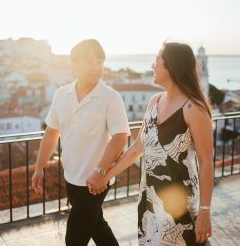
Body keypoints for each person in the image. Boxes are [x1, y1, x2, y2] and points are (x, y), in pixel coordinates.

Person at [88, 41, 214, 245]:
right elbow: (137, 148)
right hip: (150, 200)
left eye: (157, 61)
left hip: (179, 206)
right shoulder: (154, 101)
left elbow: (207, 162)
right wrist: (105, 176)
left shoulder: (194, 109)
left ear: (171, 67)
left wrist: (205, 213)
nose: (152, 66)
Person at [32, 39, 129, 246]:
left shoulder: (111, 98)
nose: (96, 68)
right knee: (97, 226)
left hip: (95, 182)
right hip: (71, 177)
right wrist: (39, 167)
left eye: (100, 62)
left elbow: (120, 138)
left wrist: (100, 172)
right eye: (90, 62)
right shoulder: (61, 94)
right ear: (74, 64)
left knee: (74, 238)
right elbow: (51, 132)